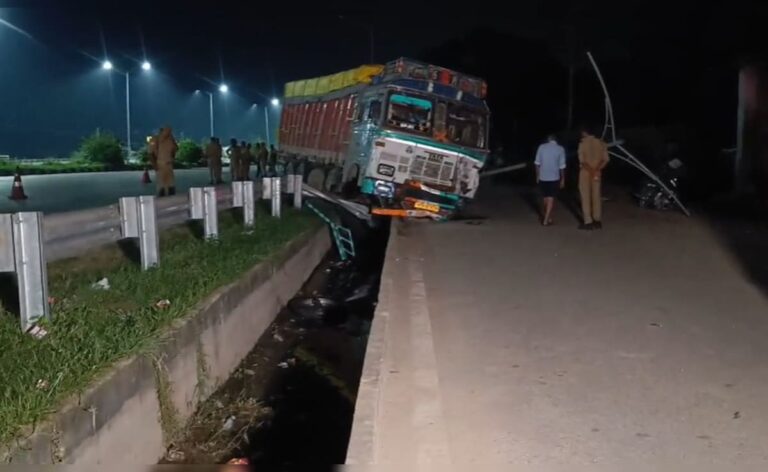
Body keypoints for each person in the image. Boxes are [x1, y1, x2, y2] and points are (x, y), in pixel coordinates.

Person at [578, 126, 610, 230]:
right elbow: (605, 160)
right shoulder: (601, 143)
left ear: (584, 132)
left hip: (585, 173)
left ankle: (588, 221)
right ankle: (597, 220)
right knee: (596, 196)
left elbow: (582, 161)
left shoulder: (582, 144)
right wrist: (596, 170)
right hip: (597, 173)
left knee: (585, 196)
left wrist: (591, 171)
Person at [534, 134, 566, 226]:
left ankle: (548, 217)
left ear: (548, 140)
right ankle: (546, 219)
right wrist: (563, 179)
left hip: (543, 176)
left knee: (545, 198)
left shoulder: (541, 147)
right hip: (554, 177)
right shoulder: (560, 149)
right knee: (551, 198)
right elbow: (562, 166)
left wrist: (537, 175)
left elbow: (537, 163)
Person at [155, 126, 178, 196]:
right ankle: (162, 195)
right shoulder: (157, 140)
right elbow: (152, 153)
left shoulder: (170, 141)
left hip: (168, 164)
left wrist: (172, 158)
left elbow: (176, 148)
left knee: (170, 182)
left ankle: (170, 194)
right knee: (161, 182)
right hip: (161, 163)